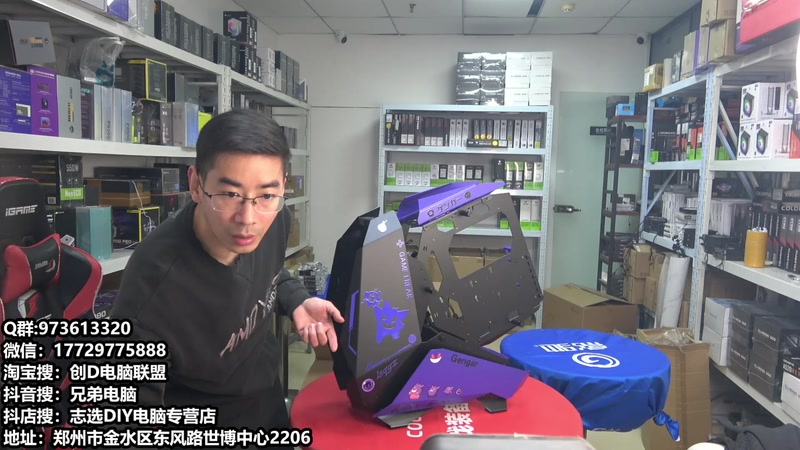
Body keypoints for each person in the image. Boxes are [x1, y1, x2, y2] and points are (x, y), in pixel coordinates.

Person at [108, 109, 344, 438]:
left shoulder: (276, 218)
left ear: (282, 187)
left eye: (267, 194)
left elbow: (270, 274)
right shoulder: (153, 288)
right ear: (196, 184)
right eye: (230, 195)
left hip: (267, 405)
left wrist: (297, 301)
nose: (248, 219)